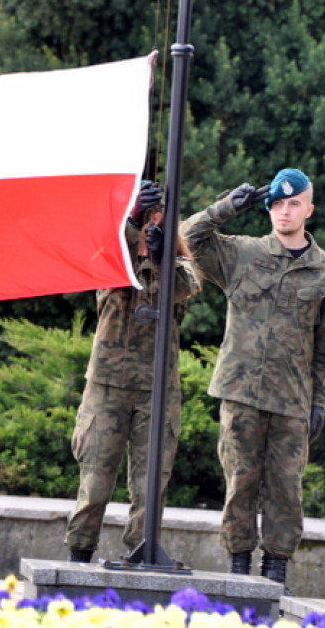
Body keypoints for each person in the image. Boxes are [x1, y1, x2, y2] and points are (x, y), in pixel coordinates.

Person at [180, 168, 325, 590]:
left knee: (286, 490)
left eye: (293, 204)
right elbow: (186, 239)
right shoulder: (243, 254)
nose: (283, 211)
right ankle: (237, 570)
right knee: (240, 483)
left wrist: (321, 400)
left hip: (292, 399)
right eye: (275, 203)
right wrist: (226, 207)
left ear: (309, 209)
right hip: (241, 393)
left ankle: (276, 572)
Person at [64, 180, 202, 563]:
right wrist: (132, 218)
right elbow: (98, 253)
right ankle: (80, 552)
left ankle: (143, 552)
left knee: (150, 483)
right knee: (95, 479)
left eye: (158, 218)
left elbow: (186, 286)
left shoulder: (178, 263)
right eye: (146, 217)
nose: (151, 225)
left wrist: (162, 256)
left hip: (157, 388)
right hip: (107, 384)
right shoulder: (113, 254)